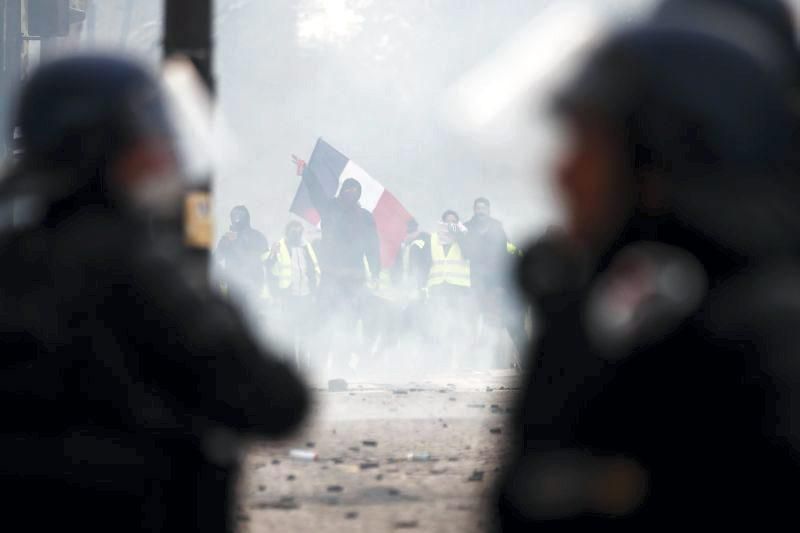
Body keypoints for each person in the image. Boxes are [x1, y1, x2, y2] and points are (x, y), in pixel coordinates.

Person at [497, 25, 800, 529]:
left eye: (592, 145)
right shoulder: (628, 311)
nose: (564, 172)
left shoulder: (767, 337)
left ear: (659, 161)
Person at [0, 55, 308, 533]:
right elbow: (276, 401)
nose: (165, 148)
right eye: (150, 130)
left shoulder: (15, 257)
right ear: (105, 145)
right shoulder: (134, 263)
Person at [300, 170, 381, 374]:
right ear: (342, 190)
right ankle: (318, 365)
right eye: (347, 189)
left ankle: (341, 366)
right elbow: (316, 192)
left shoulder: (364, 217)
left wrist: (376, 271)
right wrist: (308, 172)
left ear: (359, 194)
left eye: (355, 191)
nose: (350, 193)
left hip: (355, 277)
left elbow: (373, 246)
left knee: (350, 323)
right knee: (324, 320)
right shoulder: (330, 208)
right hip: (331, 275)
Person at [265, 220, 320, 370]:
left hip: (306, 295)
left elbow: (314, 270)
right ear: (287, 231)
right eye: (293, 230)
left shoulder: (306, 247)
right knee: (290, 330)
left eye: (299, 231)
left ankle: (305, 364)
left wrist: (314, 292)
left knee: (305, 331)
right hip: (289, 296)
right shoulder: (279, 246)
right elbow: (269, 270)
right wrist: (272, 255)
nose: (296, 234)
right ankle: (291, 364)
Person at [425, 210, 474, 369]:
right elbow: (425, 263)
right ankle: (440, 361)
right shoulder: (433, 238)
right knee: (439, 324)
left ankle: (458, 361)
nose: (451, 224)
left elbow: (469, 254)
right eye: (448, 221)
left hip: (458, 289)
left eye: (454, 221)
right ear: (442, 223)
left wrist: (460, 236)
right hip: (438, 287)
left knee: (458, 325)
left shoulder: (465, 238)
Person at [215, 205, 270, 307]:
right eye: (234, 216)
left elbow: (266, 260)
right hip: (234, 285)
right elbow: (217, 258)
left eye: (239, 216)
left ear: (246, 218)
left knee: (250, 315)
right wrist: (225, 243)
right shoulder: (227, 238)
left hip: (254, 282)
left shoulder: (258, 236)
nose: (236, 219)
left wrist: (273, 254)